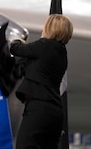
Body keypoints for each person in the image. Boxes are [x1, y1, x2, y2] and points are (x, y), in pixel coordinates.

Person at [10, 14, 73, 149]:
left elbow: (15, 49)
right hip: (55, 112)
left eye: (46, 26)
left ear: (51, 29)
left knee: (25, 146)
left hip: (39, 108)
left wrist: (16, 40)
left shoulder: (44, 46)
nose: (42, 29)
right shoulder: (62, 53)